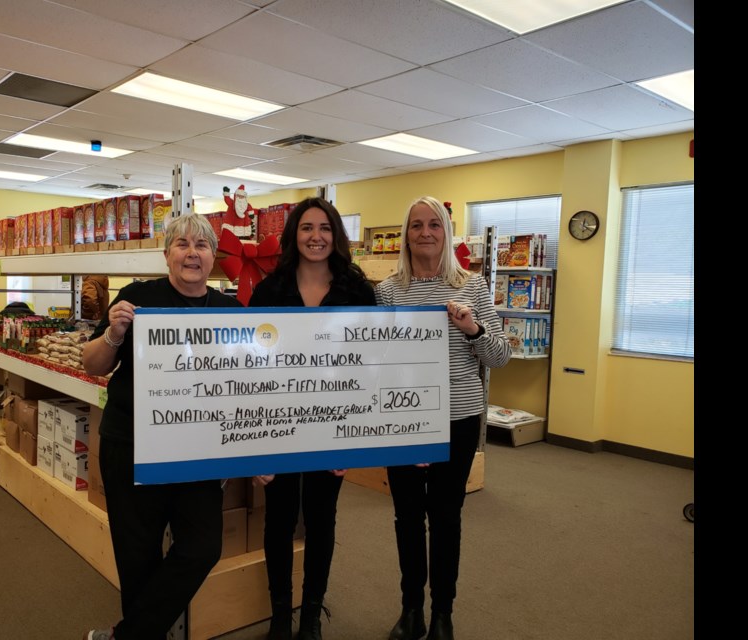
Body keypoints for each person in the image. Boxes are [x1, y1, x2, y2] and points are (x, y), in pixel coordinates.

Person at [81, 214, 242, 640]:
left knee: (203, 547)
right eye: (183, 244)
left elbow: (246, 383)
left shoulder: (231, 309)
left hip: (197, 452)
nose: (193, 253)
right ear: (167, 253)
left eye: (202, 246)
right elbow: (94, 364)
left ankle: (126, 636)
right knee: (138, 558)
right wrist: (114, 333)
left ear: (214, 257)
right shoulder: (137, 297)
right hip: (132, 445)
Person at [375, 196, 511, 640]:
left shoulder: (472, 286)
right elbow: (375, 358)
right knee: (408, 517)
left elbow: (501, 356)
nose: (426, 233)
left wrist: (473, 328)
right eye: (416, 225)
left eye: (435, 224)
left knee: (447, 516)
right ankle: (411, 608)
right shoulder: (389, 291)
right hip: (404, 420)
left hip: (457, 416)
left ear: (447, 232)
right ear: (406, 234)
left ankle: (442, 614)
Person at [247, 197, 376, 640]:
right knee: (279, 519)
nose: (315, 236)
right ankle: (281, 614)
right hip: (278, 420)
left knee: (322, 518)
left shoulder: (358, 290)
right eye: (306, 228)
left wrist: (354, 436)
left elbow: (369, 364)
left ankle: (312, 615)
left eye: (324, 228)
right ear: (293, 236)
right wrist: (255, 444)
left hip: (334, 423)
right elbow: (250, 366)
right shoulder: (269, 290)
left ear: (335, 236)